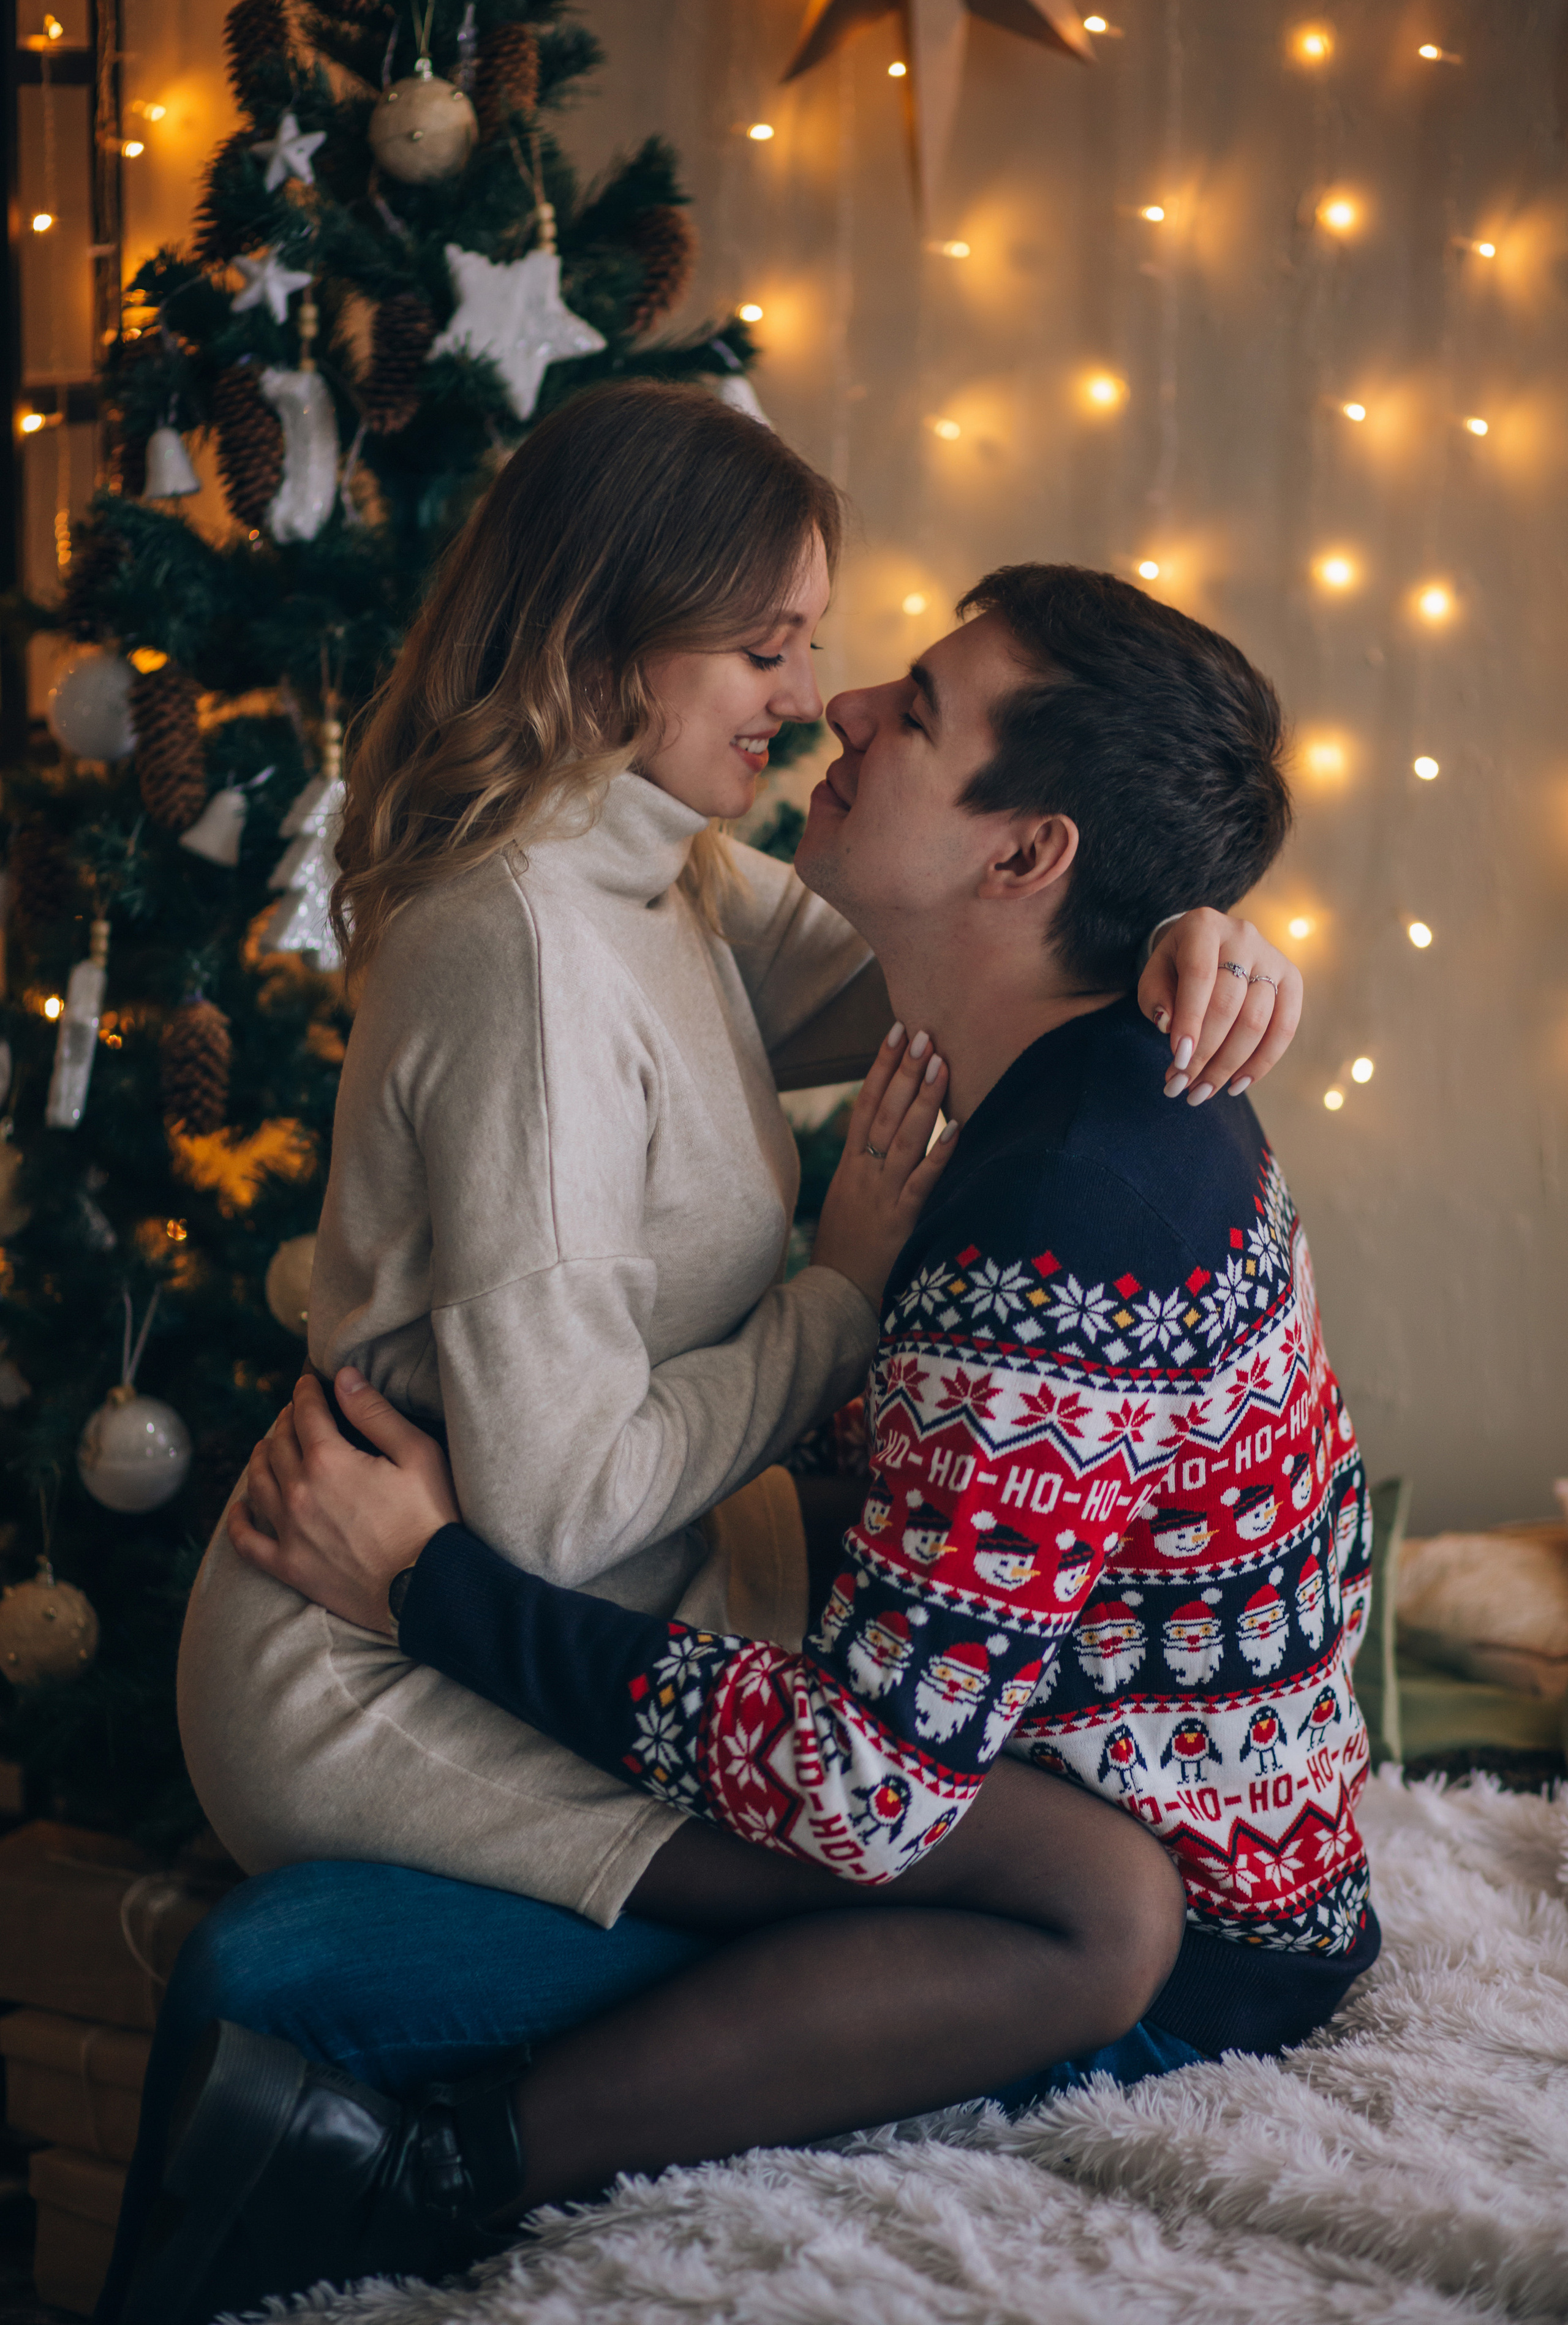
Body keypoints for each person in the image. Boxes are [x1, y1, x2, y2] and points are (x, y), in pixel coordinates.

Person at [111, 563, 1332, 2325]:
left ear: (1023, 856)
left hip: (1142, 1943)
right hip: (1062, 1783)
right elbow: (945, 1471)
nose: (833, 706)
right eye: (781, 654)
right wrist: (1189, 919)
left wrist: (429, 1585)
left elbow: (869, 1787)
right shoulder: (1069, 1065)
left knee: (279, 1965)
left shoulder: (1070, 1211)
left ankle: (438, 2173)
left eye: (908, 709)